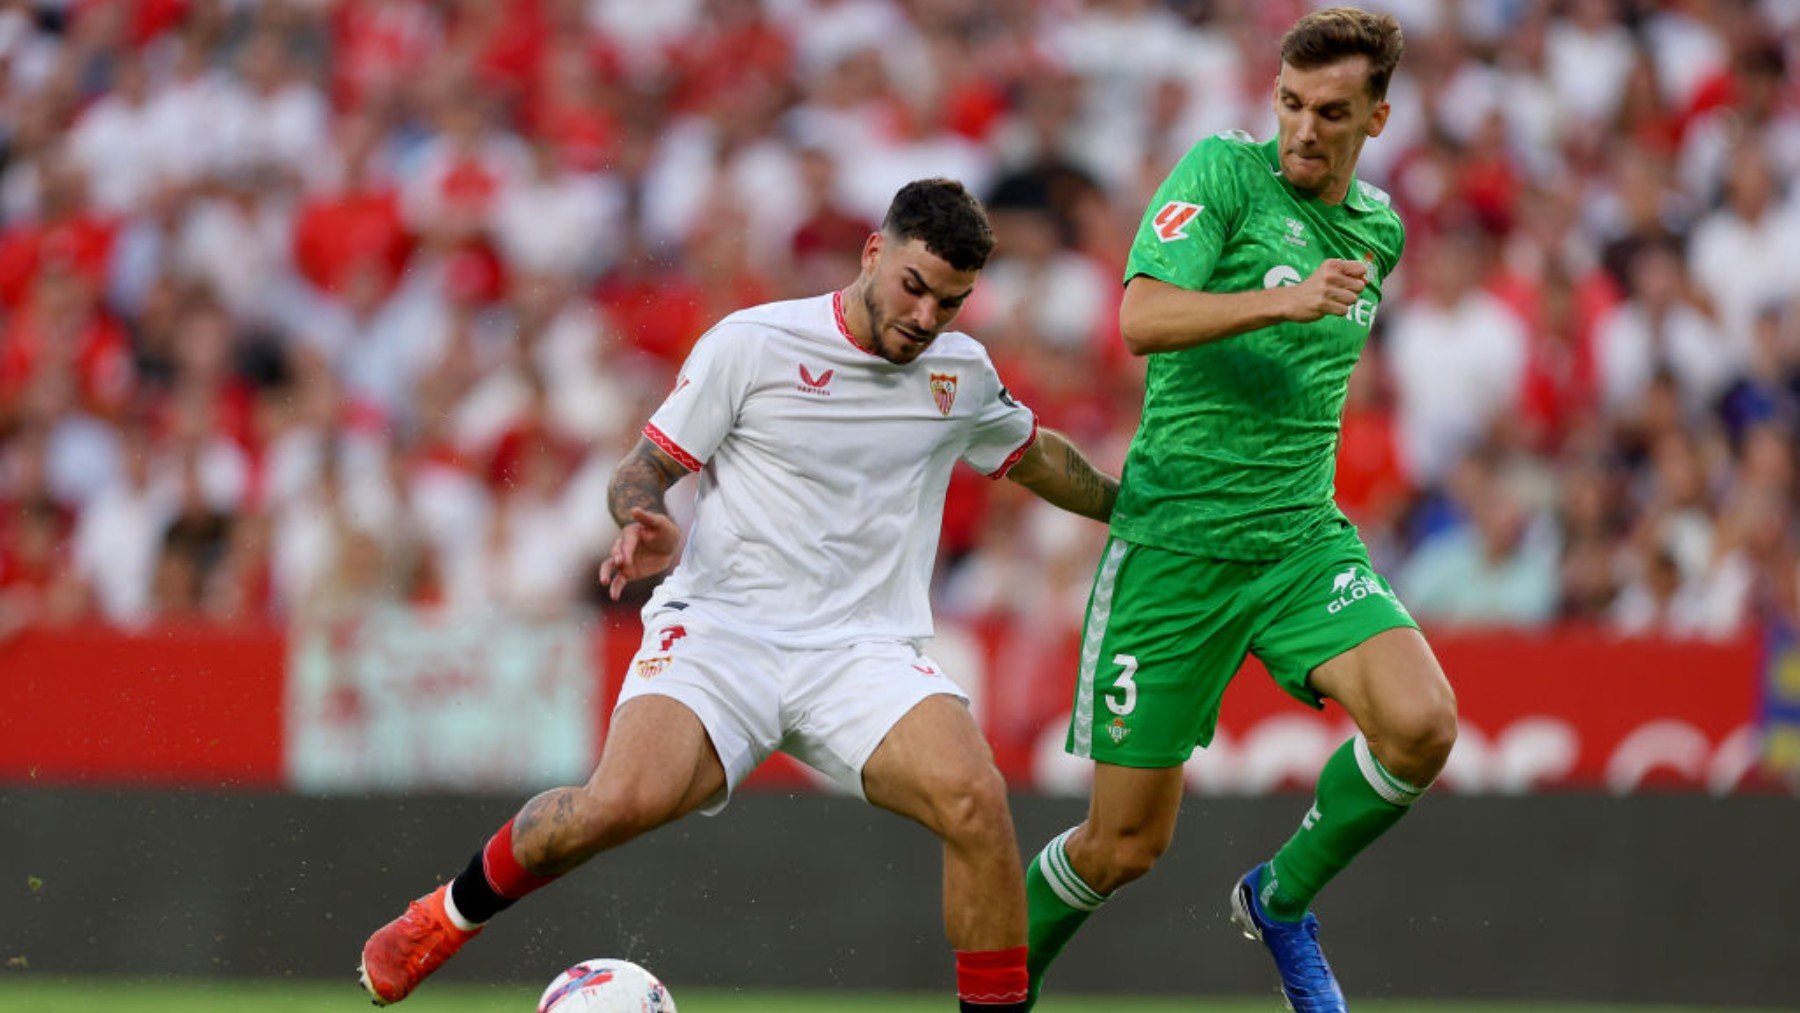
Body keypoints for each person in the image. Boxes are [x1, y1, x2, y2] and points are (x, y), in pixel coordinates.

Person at [358, 178, 1119, 1010]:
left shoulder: (960, 374)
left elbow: (1034, 455)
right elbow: (643, 467)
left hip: (863, 652)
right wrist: (642, 515)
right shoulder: (753, 343)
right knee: (612, 807)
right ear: (874, 252)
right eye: (915, 286)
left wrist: (1131, 508)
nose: (927, 316)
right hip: (724, 634)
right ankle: (447, 914)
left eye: (952, 301)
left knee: (978, 803)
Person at [1020, 10, 1456, 1013]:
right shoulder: (1220, 171)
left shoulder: (1379, 229)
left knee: (1422, 724)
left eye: (1332, 113)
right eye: (1292, 104)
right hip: (1176, 546)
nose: (1305, 128)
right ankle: (997, 991)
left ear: (1377, 119)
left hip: (1299, 540)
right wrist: (1282, 297)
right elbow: (1139, 318)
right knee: (1124, 844)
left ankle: (1281, 897)